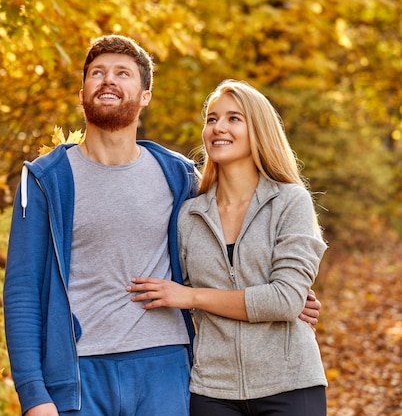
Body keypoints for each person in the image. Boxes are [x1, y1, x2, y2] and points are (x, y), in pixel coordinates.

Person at [3, 36, 322, 416]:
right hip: (80, 372)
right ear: (81, 92)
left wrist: (286, 297)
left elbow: (221, 260)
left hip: (167, 370)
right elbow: (22, 293)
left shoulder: (178, 177)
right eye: (97, 73)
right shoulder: (47, 180)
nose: (108, 80)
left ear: (145, 96)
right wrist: (33, 395)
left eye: (123, 73)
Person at [128, 79, 328, 416]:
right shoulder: (189, 215)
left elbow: (285, 299)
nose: (218, 127)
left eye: (234, 118)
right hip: (211, 390)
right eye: (211, 119)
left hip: (290, 383)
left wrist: (193, 297)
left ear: (259, 130)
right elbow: (167, 286)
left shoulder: (290, 202)